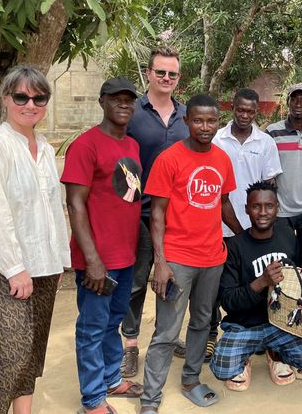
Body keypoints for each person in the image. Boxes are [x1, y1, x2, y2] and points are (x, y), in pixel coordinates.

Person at [0, 66, 70, 414]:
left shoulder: (46, 150)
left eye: (39, 97)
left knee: (30, 354)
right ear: (6, 99)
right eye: (21, 96)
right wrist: (14, 267)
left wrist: (59, 257)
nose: (30, 104)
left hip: (43, 266)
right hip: (1, 270)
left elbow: (52, 207)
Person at [140, 94, 243, 412]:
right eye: (198, 120)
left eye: (211, 120)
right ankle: (150, 399)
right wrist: (160, 262)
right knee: (167, 332)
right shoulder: (169, 159)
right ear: (187, 121)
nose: (205, 126)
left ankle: (191, 380)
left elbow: (223, 204)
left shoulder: (222, 159)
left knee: (201, 323)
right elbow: (157, 214)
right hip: (177, 260)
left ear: (218, 121)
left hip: (213, 258)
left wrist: (244, 238)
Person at [62, 77, 144, 413]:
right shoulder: (86, 145)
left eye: (129, 100)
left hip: (126, 255)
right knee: (92, 329)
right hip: (98, 259)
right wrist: (93, 261)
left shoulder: (132, 146)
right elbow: (75, 204)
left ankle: (113, 379)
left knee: (113, 323)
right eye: (116, 99)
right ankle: (93, 398)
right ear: (102, 102)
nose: (124, 105)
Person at [210, 181, 302, 391]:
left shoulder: (288, 236)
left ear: (277, 208)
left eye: (269, 206)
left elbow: (300, 283)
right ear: (246, 209)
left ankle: (275, 353)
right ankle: (245, 357)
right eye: (256, 206)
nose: (263, 212)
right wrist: (262, 282)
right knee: (222, 367)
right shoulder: (234, 246)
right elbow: (228, 301)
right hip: (245, 325)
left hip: (281, 324)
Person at [120, 47, 190, 378]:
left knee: (173, 280)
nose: (166, 79)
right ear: (148, 73)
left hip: (178, 216)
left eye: (172, 74)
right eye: (160, 72)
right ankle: (130, 344)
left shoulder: (187, 116)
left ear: (179, 78)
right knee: (135, 283)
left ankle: (166, 336)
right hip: (139, 213)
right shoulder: (131, 112)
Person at [210, 87, 282, 357]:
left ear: (256, 112)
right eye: (240, 110)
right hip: (221, 227)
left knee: (253, 279)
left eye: (251, 111)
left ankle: (259, 331)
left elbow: (269, 186)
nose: (245, 115)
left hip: (256, 227)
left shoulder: (265, 143)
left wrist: (257, 228)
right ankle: (210, 333)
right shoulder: (217, 140)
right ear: (232, 108)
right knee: (218, 284)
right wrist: (239, 232)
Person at [266, 83, 302, 250]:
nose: (299, 104)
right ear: (288, 102)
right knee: (285, 256)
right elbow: (267, 172)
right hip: (281, 209)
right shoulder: (273, 132)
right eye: (294, 99)